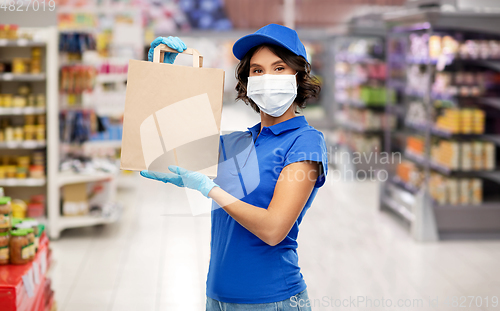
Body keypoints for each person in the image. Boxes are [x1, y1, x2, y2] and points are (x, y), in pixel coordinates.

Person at [142, 24, 328, 310]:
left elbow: (274, 229)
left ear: (298, 76)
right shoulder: (239, 141)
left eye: (279, 68)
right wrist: (162, 78)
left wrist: (209, 189)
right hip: (217, 297)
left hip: (271, 300)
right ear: (247, 80)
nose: (267, 77)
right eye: (257, 70)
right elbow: (160, 143)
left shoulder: (305, 143)